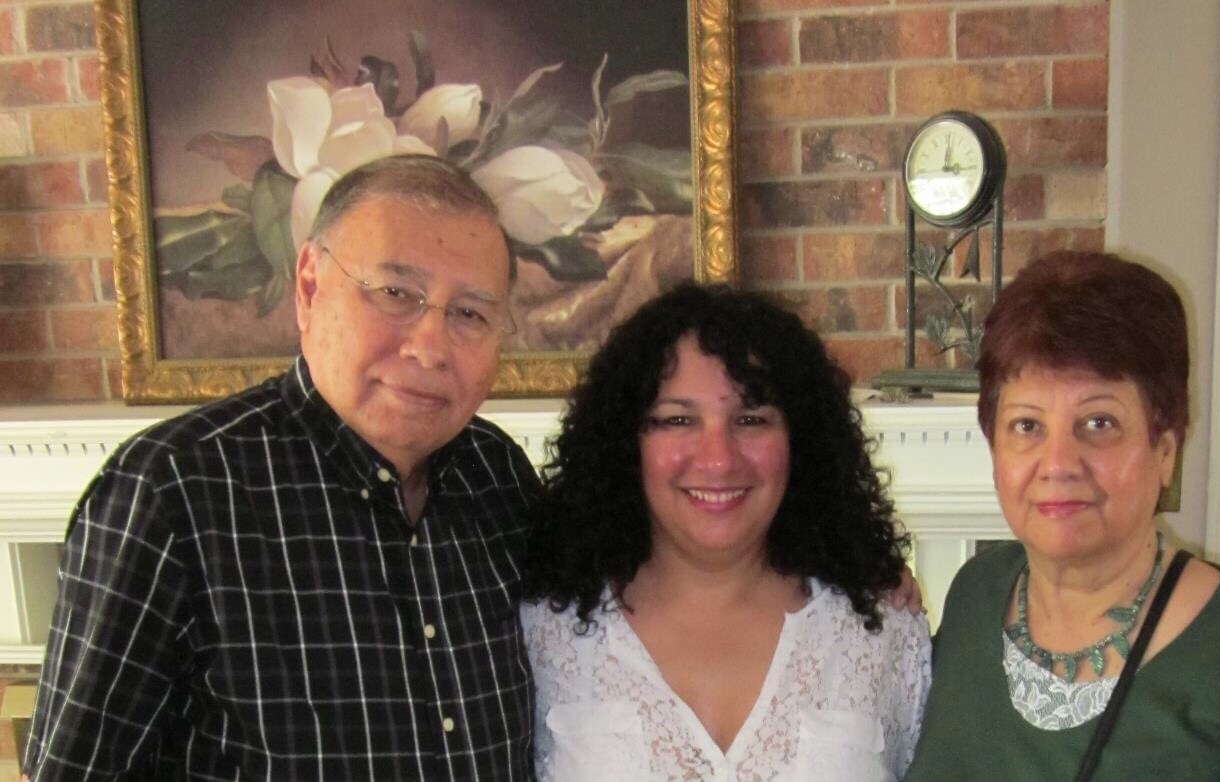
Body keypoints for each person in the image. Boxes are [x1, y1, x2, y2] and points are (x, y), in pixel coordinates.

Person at [23, 156, 540, 780]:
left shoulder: (499, 475)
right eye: (396, 294)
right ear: (310, 286)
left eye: (471, 314)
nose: (430, 348)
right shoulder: (173, 491)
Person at [905, 251, 1220, 780]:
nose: (1058, 463)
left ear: (1165, 450)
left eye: (1099, 423)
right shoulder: (974, 597)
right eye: (1026, 426)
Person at [520, 283, 931, 782]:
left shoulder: (884, 631)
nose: (718, 458)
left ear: (802, 440)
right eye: (677, 419)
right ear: (624, 442)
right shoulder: (541, 631)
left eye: (751, 418)